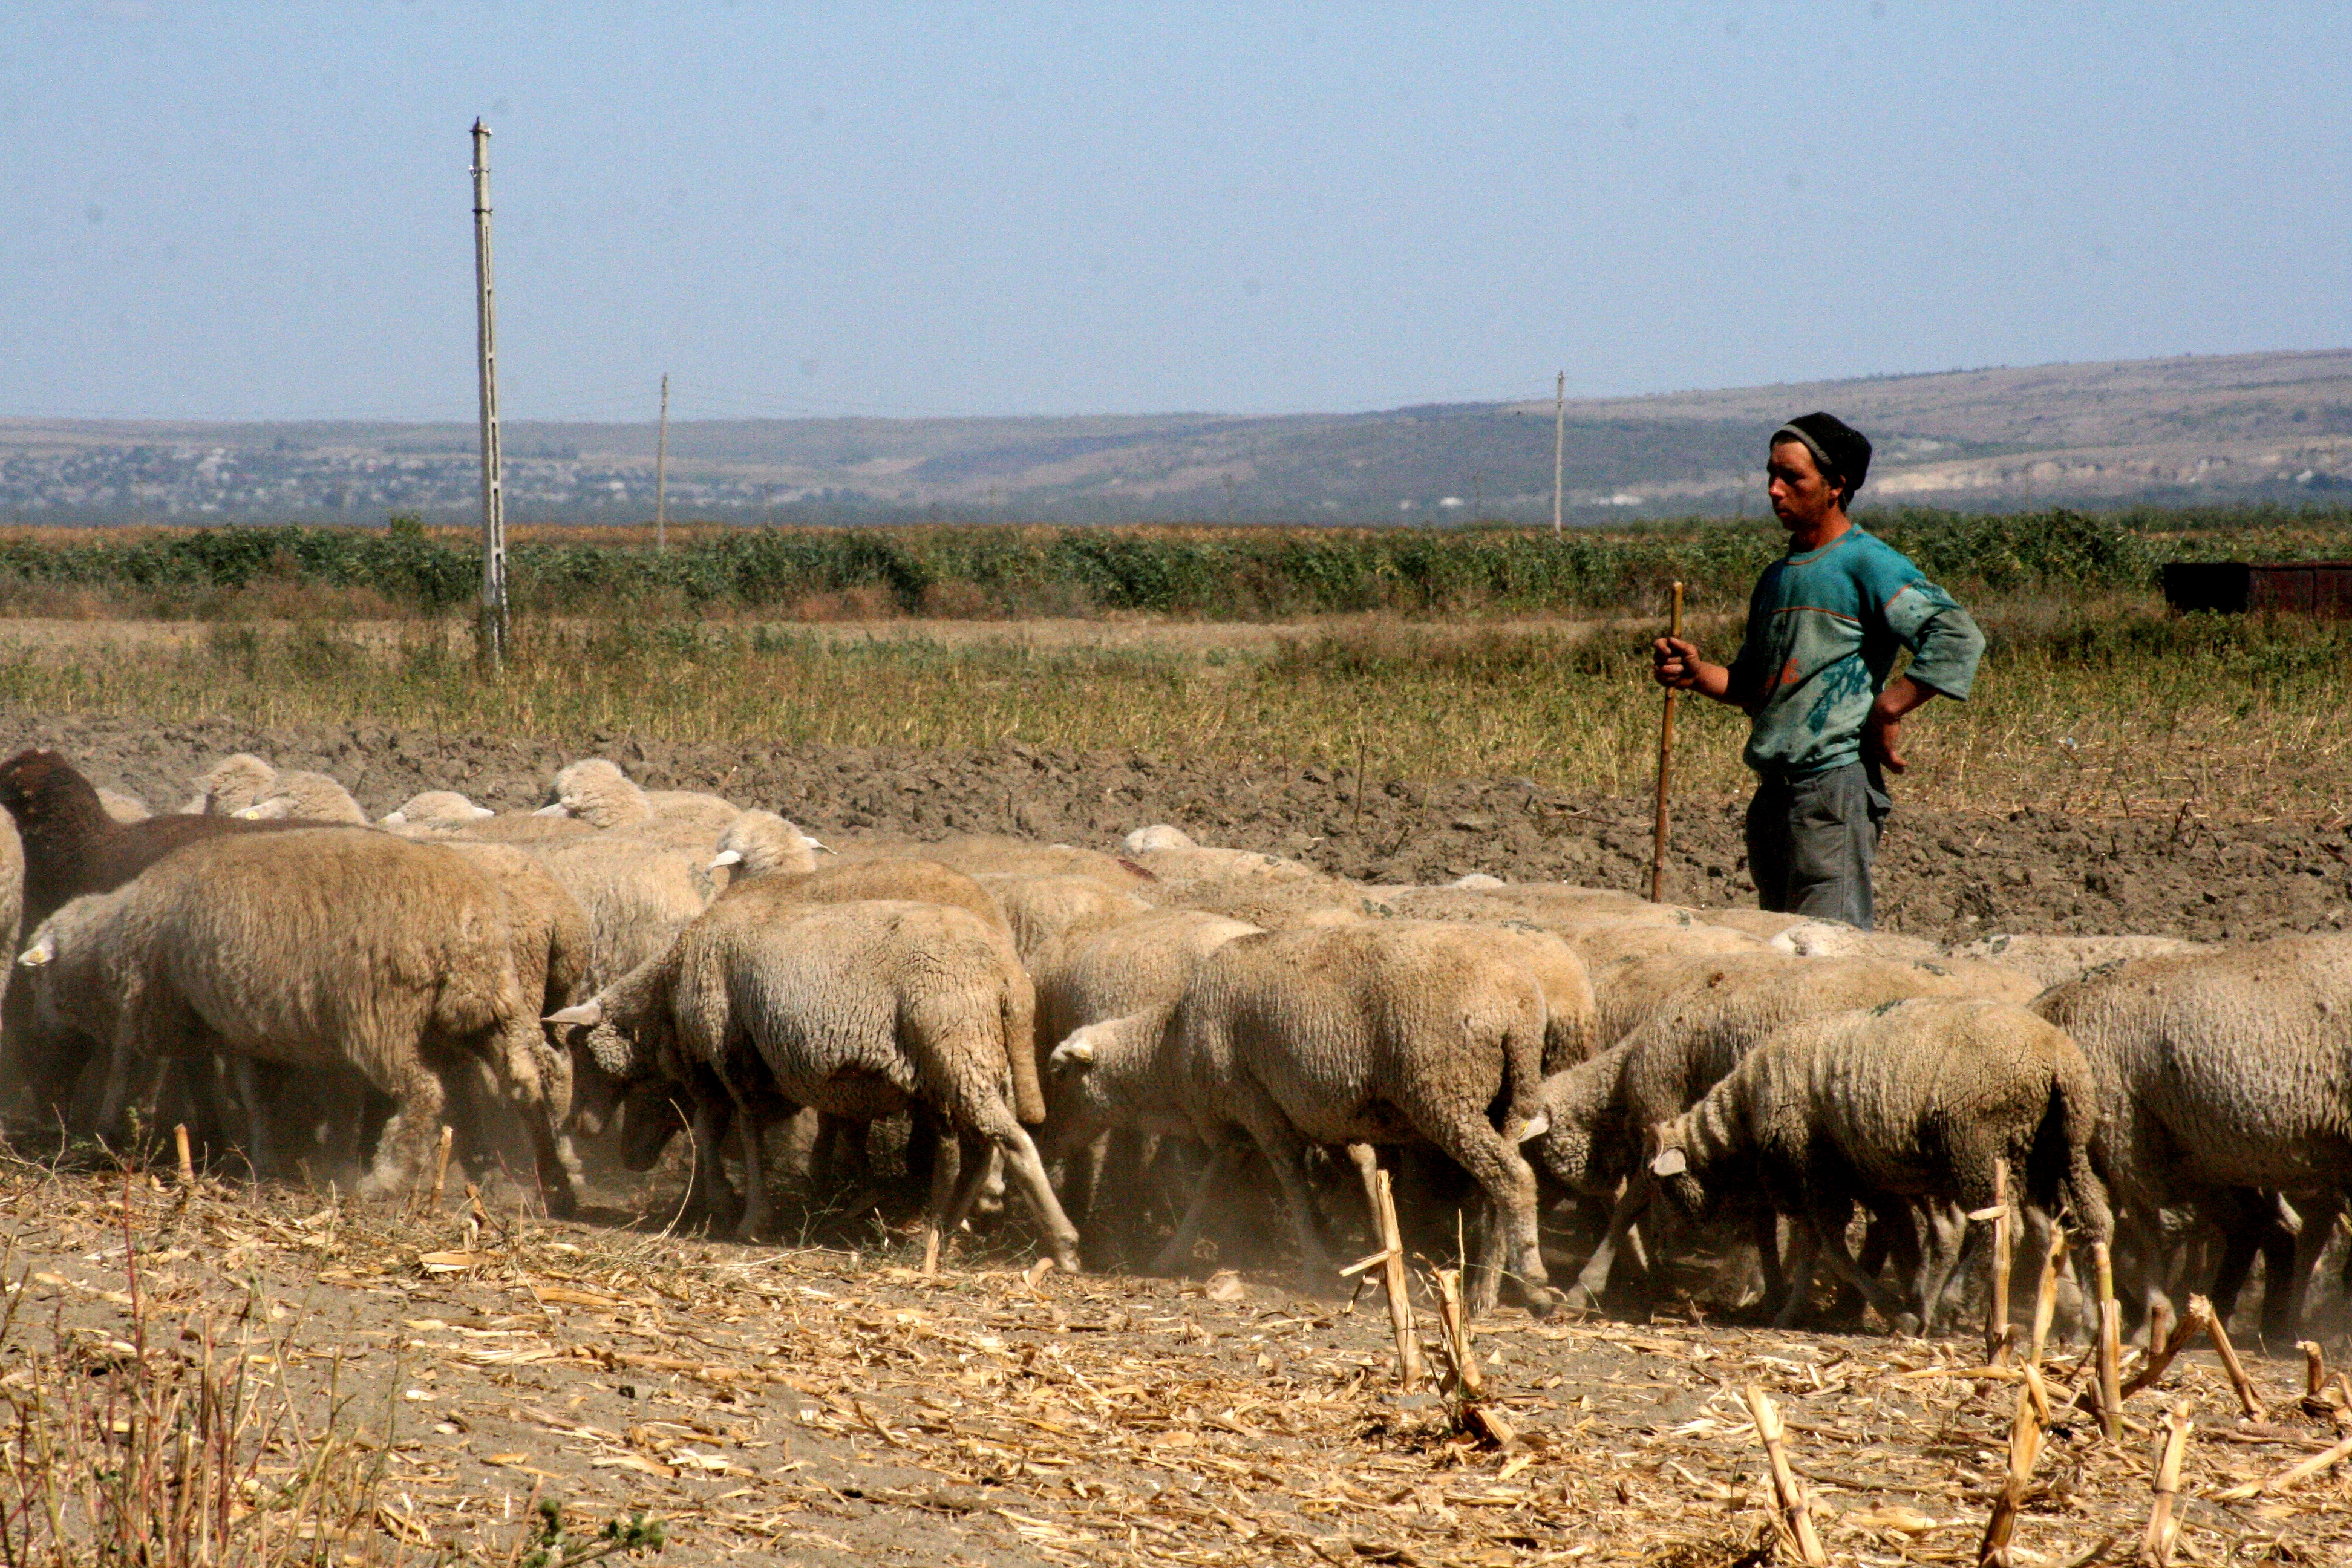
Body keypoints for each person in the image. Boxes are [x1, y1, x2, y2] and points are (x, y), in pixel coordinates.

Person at [1651, 412, 1983, 930]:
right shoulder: (1777, 578)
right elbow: (1755, 687)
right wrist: (1696, 675)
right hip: (1773, 797)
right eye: (1770, 475)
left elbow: (1957, 635)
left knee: (1830, 954)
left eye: (1792, 478)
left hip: (1831, 791)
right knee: (1783, 951)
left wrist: (1890, 705)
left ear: (1835, 487)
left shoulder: (1868, 564)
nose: (1773, 490)